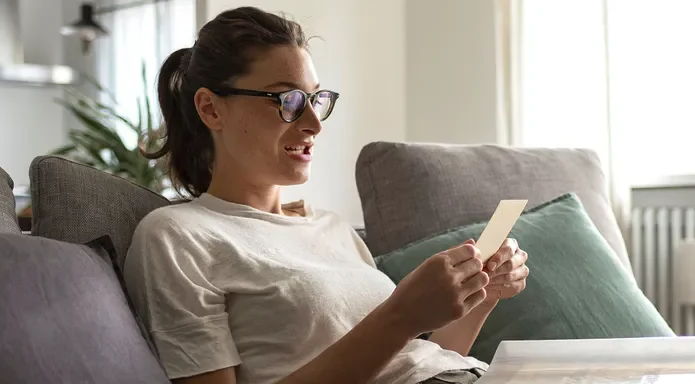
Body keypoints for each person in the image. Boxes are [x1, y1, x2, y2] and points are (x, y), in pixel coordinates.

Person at [123, 6, 530, 384]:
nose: (314, 123)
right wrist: (402, 315)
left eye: (316, 98)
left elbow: (415, 363)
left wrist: (483, 294)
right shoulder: (177, 237)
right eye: (289, 100)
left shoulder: (332, 229)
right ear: (211, 109)